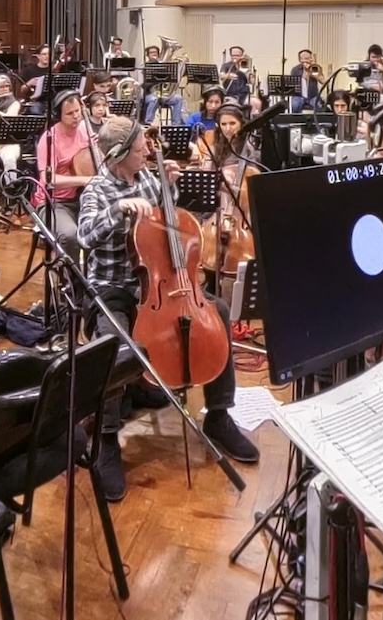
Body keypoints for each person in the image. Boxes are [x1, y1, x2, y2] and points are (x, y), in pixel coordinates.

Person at [75, 118, 257, 502]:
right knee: (113, 339)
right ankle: (107, 440)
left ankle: (220, 415)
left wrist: (168, 184)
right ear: (119, 155)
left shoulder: (147, 178)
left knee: (219, 312)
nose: (148, 153)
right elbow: (84, 235)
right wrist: (119, 209)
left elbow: (169, 224)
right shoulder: (97, 190)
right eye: (141, 149)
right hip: (115, 289)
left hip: (162, 286)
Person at [36, 92, 95, 247]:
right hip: (54, 202)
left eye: (77, 111)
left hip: (82, 198)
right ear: (58, 115)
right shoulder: (49, 139)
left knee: (102, 229)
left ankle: (93, 271)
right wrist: (83, 180)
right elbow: (48, 179)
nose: (76, 116)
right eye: (69, 113)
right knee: (70, 236)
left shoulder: (84, 130)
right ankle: (68, 272)